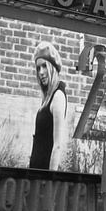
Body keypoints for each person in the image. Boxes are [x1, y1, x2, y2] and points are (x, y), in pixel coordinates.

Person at [28, 42, 68, 171]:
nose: (41, 72)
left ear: (52, 67)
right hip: (36, 172)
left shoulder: (58, 96)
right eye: (38, 68)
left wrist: (50, 179)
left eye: (44, 66)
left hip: (44, 176)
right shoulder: (47, 98)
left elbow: (57, 145)